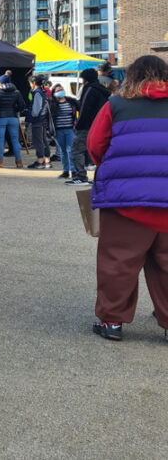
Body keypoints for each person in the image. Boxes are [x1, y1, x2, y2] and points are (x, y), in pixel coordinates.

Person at [85, 55, 168, 342]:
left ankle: (112, 322)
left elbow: (95, 145)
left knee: (117, 262)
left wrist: (114, 169)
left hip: (125, 199)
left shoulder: (115, 105)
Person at [67, 67, 111, 187]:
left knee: (76, 150)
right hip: (100, 125)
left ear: (85, 79)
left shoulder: (90, 89)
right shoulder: (103, 90)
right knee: (99, 151)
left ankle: (81, 177)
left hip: (86, 126)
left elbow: (84, 109)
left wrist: (78, 125)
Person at [0, 73, 25, 168]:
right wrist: (15, 110)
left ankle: (0, 161)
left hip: (0, 118)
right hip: (13, 118)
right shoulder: (16, 92)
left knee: (0, 141)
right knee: (15, 140)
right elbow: (22, 105)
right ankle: (19, 161)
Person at [50, 87, 78, 180]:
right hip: (58, 130)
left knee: (70, 150)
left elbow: (79, 108)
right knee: (62, 151)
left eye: (61, 89)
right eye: (57, 91)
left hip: (70, 129)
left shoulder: (71, 101)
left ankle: (73, 171)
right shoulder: (52, 103)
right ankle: (65, 171)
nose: (60, 92)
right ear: (54, 93)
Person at [27, 74, 53, 170]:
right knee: (43, 140)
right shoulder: (43, 92)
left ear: (33, 83)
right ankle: (47, 160)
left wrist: (32, 115)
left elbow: (36, 110)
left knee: (38, 141)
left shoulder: (37, 93)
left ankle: (40, 161)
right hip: (43, 120)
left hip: (37, 120)